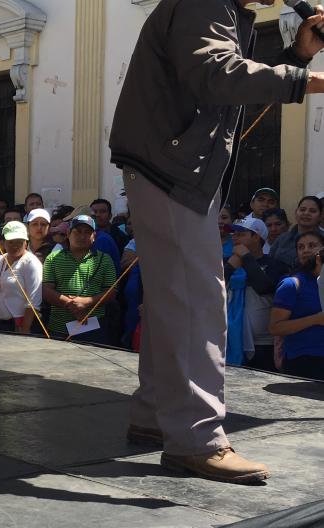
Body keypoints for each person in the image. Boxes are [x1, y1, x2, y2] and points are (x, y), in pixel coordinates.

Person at [109, 0, 324, 483]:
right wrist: (305, 80)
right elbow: (216, 73)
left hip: (170, 167)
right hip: (171, 168)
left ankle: (152, 415)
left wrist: (298, 58)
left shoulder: (219, 9)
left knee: (174, 301)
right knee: (198, 302)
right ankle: (197, 439)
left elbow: (223, 81)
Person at [224, 218, 289, 371]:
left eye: (240, 233)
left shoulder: (275, 265)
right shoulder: (227, 261)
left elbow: (263, 287)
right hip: (230, 340)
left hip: (263, 345)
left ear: (256, 237)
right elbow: (211, 288)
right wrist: (230, 266)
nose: (235, 237)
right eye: (233, 233)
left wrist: (246, 258)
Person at [42, 215, 116, 343]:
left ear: (94, 236)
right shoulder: (52, 258)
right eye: (77, 231)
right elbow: (46, 290)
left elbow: (111, 292)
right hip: (58, 328)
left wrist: (86, 302)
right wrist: (72, 304)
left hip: (92, 328)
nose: (82, 236)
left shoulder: (105, 259)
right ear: (68, 234)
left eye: (87, 232)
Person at [269, 231, 324, 380]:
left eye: (312, 245)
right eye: (300, 247)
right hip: (304, 363)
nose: (305, 250)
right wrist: (316, 319)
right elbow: (275, 327)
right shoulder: (291, 284)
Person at [0, 221, 42, 333]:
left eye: (19, 242)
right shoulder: (0, 260)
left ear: (26, 242)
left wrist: (24, 330)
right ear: (4, 242)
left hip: (19, 325)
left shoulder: (31, 262)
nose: (15, 245)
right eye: (11, 242)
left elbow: (33, 302)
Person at [270, 196, 324, 270]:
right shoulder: (282, 239)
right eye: (302, 210)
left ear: (320, 216)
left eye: (312, 211)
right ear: (296, 213)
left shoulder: (322, 239)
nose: (306, 213)